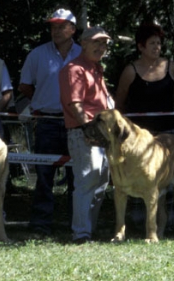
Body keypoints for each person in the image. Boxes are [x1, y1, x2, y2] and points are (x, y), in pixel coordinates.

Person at [18, 8, 80, 237]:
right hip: (47, 122)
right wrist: (43, 100)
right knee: (44, 177)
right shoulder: (37, 55)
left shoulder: (84, 54)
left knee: (78, 177)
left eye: (61, 26)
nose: (56, 30)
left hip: (77, 124)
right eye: (53, 26)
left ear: (72, 29)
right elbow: (24, 86)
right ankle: (41, 226)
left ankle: (78, 225)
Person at [114, 23, 174, 230]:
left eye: (159, 43)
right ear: (140, 47)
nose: (157, 47)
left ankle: (169, 222)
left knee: (167, 180)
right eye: (152, 43)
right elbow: (120, 103)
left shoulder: (170, 66)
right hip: (140, 138)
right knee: (137, 175)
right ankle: (137, 221)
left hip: (167, 133)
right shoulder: (130, 71)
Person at [59, 26, 112, 244]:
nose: (101, 47)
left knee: (101, 181)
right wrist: (87, 129)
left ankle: (89, 229)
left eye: (104, 44)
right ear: (84, 43)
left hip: (102, 134)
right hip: (84, 133)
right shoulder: (75, 69)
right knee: (87, 181)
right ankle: (81, 233)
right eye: (96, 42)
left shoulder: (96, 68)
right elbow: (75, 103)